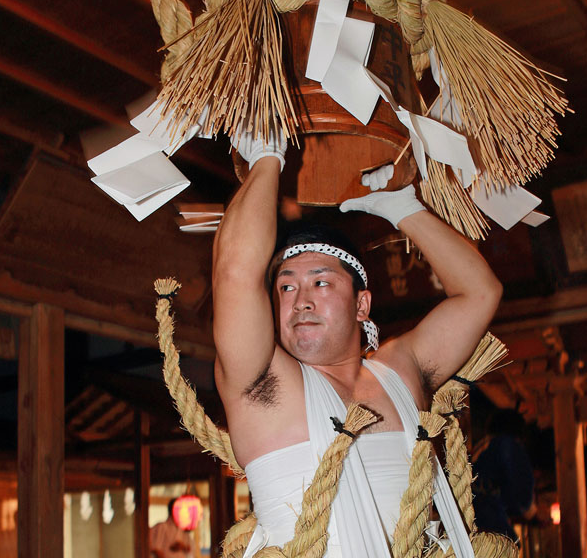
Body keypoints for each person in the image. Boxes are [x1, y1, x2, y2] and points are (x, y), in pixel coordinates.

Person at [211, 134, 503, 557]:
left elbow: (481, 293)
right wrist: (266, 156)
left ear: (362, 303)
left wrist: (403, 207)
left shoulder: (400, 371)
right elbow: (234, 273)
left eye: (321, 282)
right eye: (286, 286)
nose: (301, 300)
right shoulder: (261, 381)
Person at [471, 410, 537, 542]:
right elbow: (522, 499)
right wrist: (533, 513)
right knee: (510, 544)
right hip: (491, 525)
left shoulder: (480, 448)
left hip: (467, 521)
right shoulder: (509, 446)